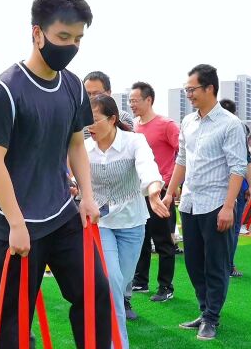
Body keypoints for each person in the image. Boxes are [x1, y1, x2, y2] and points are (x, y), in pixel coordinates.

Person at [0, 0, 112, 347]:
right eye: (63, 37)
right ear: (37, 34)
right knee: (13, 322)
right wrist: (16, 224)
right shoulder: (6, 89)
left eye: (78, 39)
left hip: (61, 214)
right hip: (14, 224)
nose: (71, 46)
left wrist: (87, 196)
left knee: (95, 293)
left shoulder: (73, 86)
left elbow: (76, 144)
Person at [162, 64, 247, 340]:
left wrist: (228, 206)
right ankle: (204, 309)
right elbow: (182, 160)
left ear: (209, 88)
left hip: (216, 204)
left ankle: (212, 317)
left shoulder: (230, 124)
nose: (188, 94)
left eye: (192, 89)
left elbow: (237, 167)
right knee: (193, 262)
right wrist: (170, 191)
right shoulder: (188, 122)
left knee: (216, 264)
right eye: (187, 89)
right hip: (189, 203)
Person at [85, 94, 169, 346]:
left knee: (120, 285)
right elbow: (71, 171)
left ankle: (106, 323)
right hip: (102, 225)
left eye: (94, 120)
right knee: (111, 282)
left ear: (111, 119)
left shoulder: (134, 141)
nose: (89, 126)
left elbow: (148, 167)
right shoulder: (85, 147)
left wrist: (154, 191)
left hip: (132, 224)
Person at [129, 81, 178, 311]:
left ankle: (165, 287)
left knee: (163, 241)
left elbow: (184, 153)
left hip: (162, 191)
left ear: (149, 100)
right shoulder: (133, 126)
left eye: (135, 100)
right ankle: (140, 281)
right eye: (130, 101)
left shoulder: (166, 125)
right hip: (138, 191)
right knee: (141, 238)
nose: (132, 105)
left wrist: (173, 183)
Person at [219, 98, 251, 277]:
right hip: (231, 187)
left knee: (227, 229)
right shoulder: (238, 126)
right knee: (232, 229)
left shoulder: (233, 126)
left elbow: (246, 161)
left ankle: (225, 266)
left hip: (225, 187)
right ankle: (227, 266)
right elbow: (246, 161)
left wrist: (250, 186)